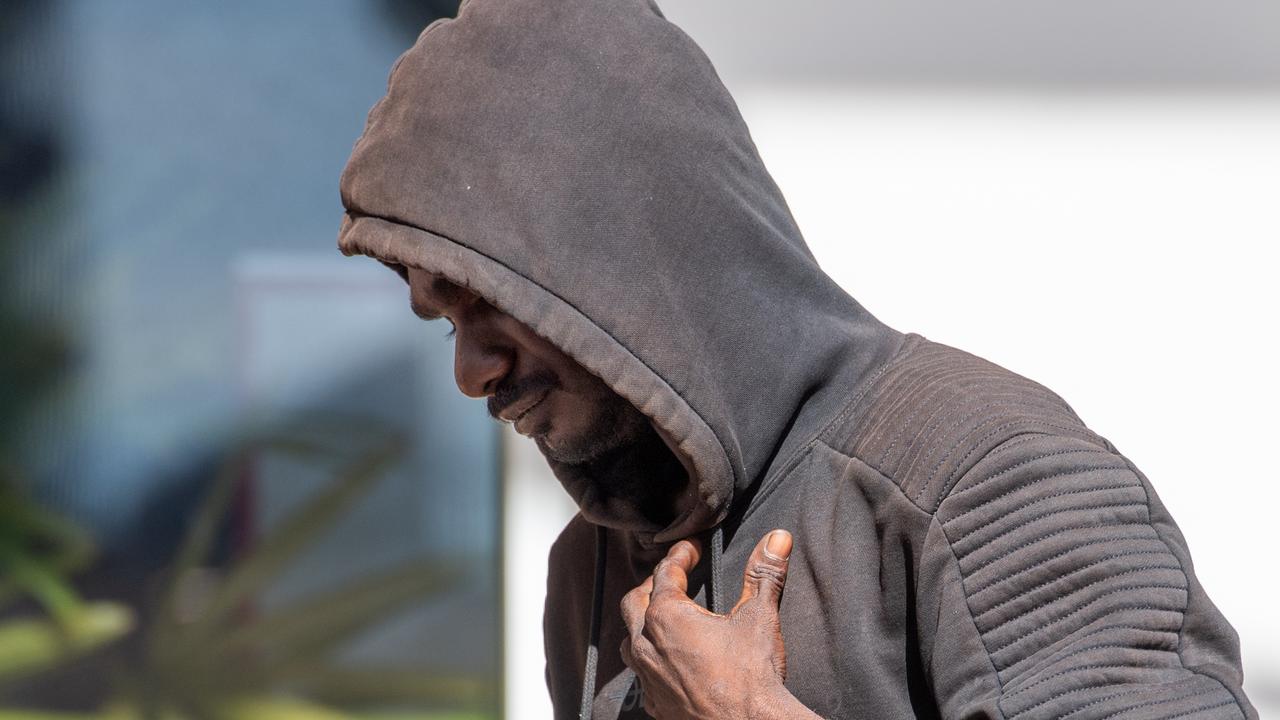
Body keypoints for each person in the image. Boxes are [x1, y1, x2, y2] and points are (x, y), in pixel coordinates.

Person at [335, 0, 1257, 718]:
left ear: (612, 255)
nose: (470, 373)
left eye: (489, 303)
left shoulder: (985, 483)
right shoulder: (591, 567)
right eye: (440, 321)